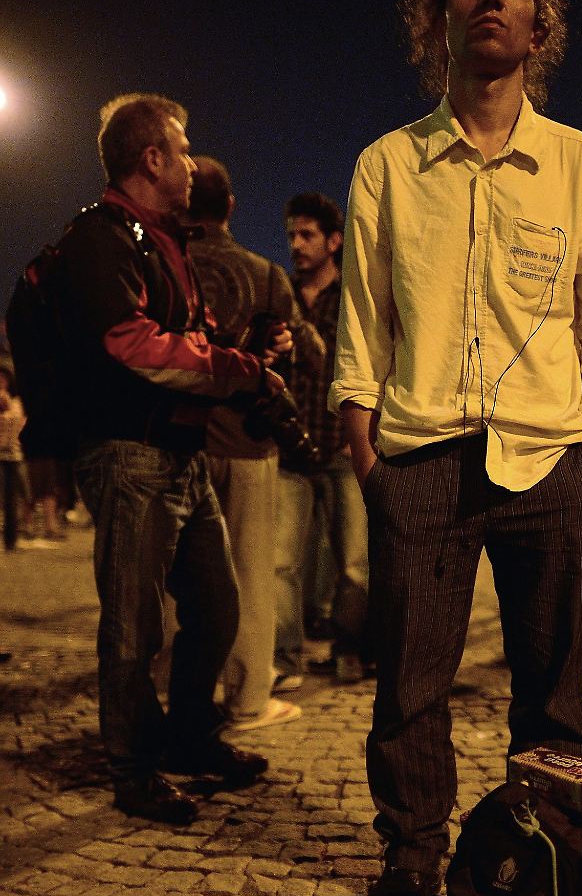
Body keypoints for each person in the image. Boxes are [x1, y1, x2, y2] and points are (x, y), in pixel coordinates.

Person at [329, 0, 582, 896]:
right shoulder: (387, 165)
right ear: (439, 17)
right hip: (418, 457)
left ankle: (543, 876)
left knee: (553, 690)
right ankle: (412, 873)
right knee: (409, 691)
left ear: (538, 28)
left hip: (550, 458)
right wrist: (362, 438)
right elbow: (363, 313)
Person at [60, 94, 280, 823]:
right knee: (133, 623)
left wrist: (240, 359)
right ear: (151, 158)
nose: (192, 163)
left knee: (216, 609)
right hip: (133, 455)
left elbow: (187, 334)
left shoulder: (160, 239)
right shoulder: (103, 237)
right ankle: (133, 770)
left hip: (181, 455)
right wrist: (238, 371)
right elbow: (134, 344)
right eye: (182, 150)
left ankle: (190, 735)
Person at [187, 156, 302, 731]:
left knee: (174, 576)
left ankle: (173, 689)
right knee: (252, 573)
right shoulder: (264, 273)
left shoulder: (165, 263)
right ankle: (249, 697)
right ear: (231, 207)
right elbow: (293, 353)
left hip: (181, 441)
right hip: (249, 441)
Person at [283, 193, 370, 685]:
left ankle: (349, 649)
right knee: (284, 562)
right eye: (292, 234)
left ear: (334, 241)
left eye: (307, 235)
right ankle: (284, 658)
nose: (296, 244)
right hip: (292, 449)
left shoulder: (353, 297)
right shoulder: (282, 295)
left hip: (341, 446)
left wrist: (358, 436)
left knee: (354, 561)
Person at [0, 359, 27, 552]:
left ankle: (11, 538)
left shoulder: (16, 401)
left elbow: (20, 424)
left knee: (12, 498)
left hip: (13, 455)